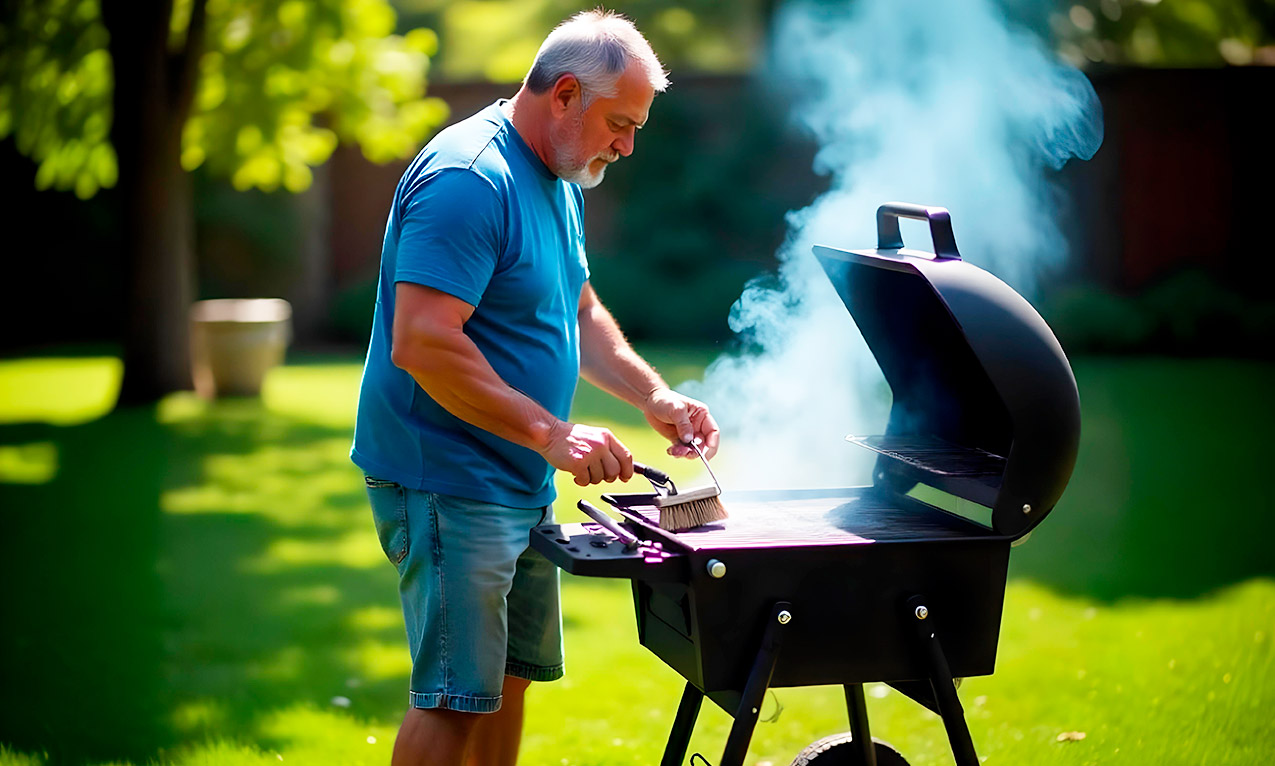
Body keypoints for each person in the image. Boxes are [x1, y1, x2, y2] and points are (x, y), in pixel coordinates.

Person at [350, 9, 720, 766]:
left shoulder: (560, 176)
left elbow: (577, 310)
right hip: (445, 479)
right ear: (562, 96)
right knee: (456, 699)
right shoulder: (469, 179)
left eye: (635, 126)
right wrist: (552, 434)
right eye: (618, 122)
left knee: (509, 681)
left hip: (514, 477)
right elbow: (422, 342)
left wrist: (654, 396)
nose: (625, 143)